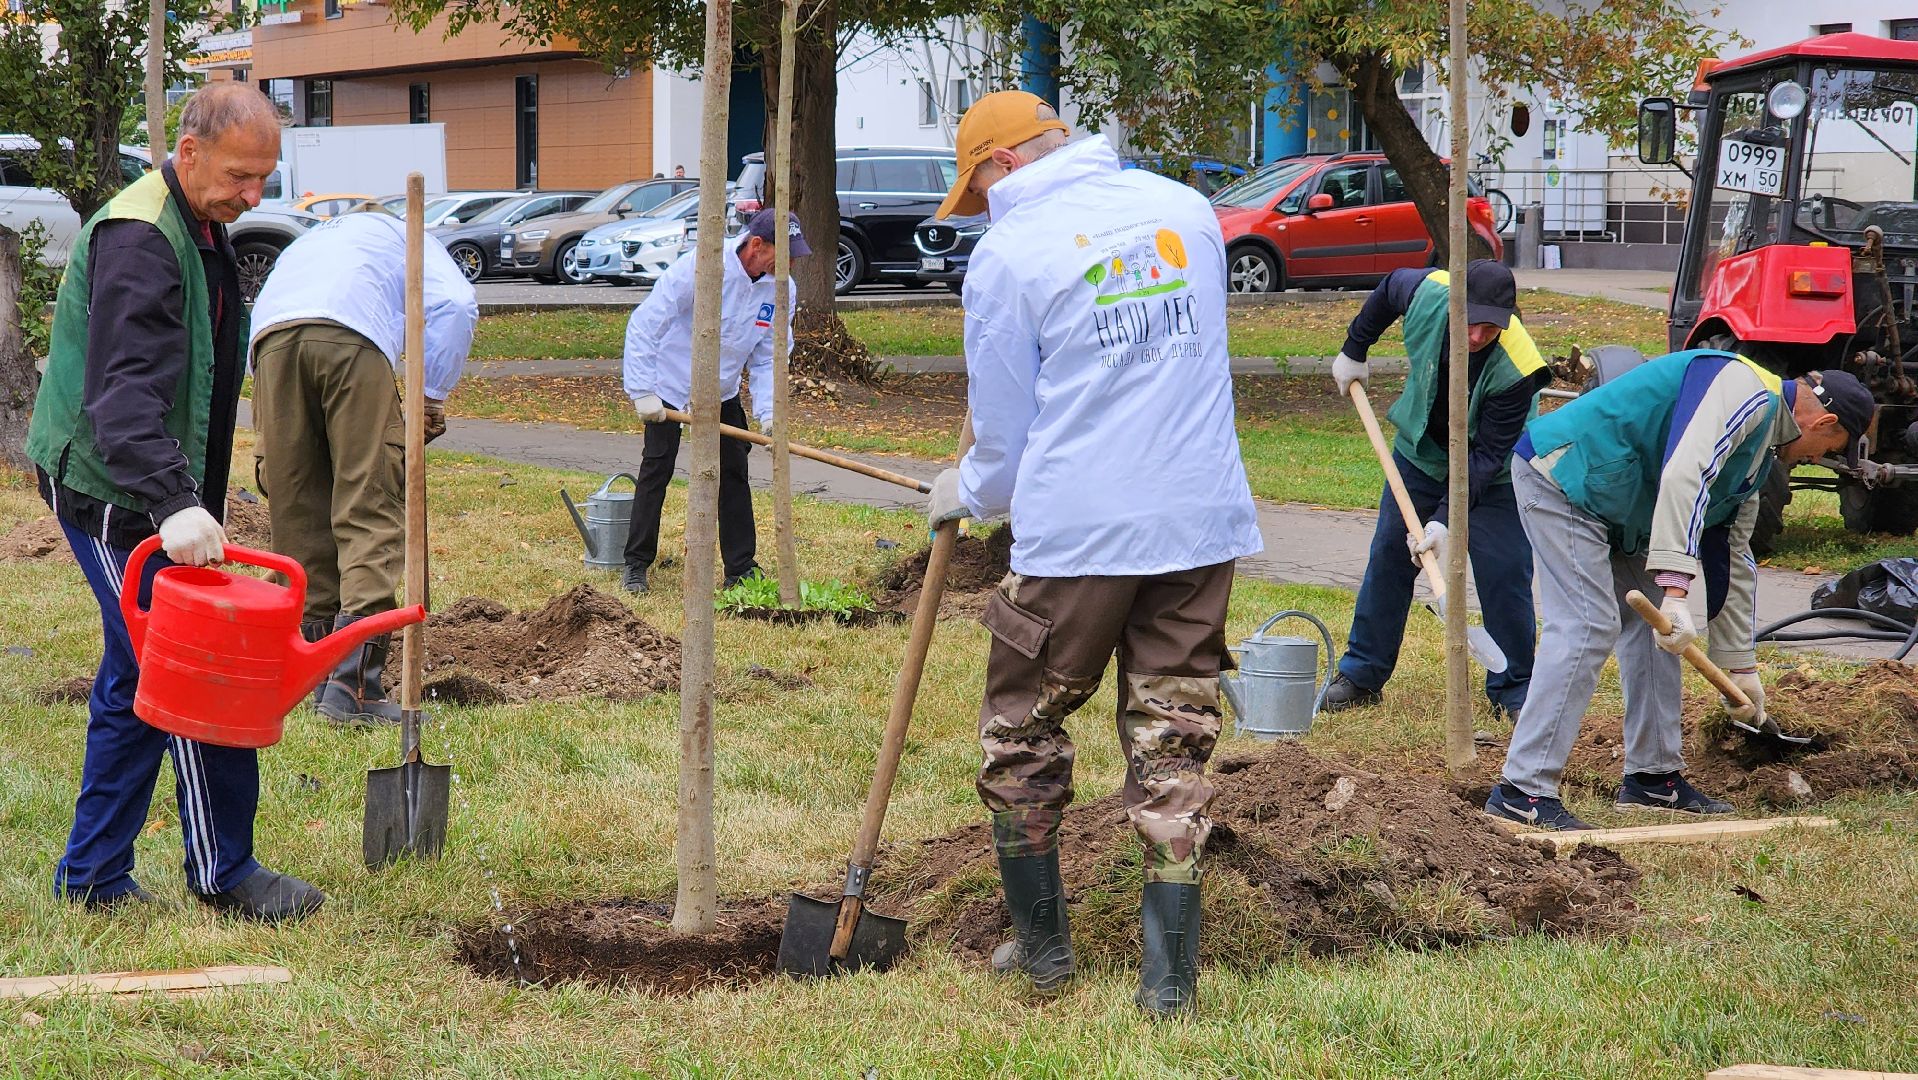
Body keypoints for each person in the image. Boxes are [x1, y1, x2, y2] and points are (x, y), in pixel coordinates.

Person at [927, 90, 1263, 1017]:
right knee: (1175, 735)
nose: (981, 207)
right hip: (1198, 518)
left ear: (1003, 165)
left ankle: (1043, 959)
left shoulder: (1010, 253)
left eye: (979, 187)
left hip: (1080, 530)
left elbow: (1001, 428)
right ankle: (1168, 989)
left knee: (1023, 728)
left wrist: (968, 491)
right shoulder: (1185, 210)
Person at [23, 83, 324, 921]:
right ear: (187, 152)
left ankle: (93, 875)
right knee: (198, 665)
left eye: (264, 179)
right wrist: (170, 502)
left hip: (143, 478)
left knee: (140, 667)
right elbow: (119, 394)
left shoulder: (197, 220)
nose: (253, 196)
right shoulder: (141, 237)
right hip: (113, 485)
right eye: (240, 176)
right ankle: (224, 871)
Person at [1486, 352, 1873, 830]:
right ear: (1826, 421)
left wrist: (1740, 665)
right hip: (1565, 477)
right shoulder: (1744, 388)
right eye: (1831, 447)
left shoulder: (1756, 459)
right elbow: (1685, 472)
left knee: (1663, 635)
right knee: (1588, 624)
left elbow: (1734, 554)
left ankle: (1653, 779)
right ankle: (1522, 791)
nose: (1821, 458)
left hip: (1624, 505)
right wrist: (1675, 586)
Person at [247, 209, 479, 724]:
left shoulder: (310, 243)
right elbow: (458, 303)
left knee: (298, 512)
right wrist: (431, 396)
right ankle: (355, 685)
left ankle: (311, 674)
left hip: (271, 344)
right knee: (368, 503)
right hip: (352, 338)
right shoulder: (407, 234)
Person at [1325, 262, 1550, 719]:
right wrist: (1355, 348)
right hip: (1420, 454)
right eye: (1471, 322)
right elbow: (1387, 287)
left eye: (1491, 327)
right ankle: (1362, 674)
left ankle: (1513, 687)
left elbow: (1485, 458)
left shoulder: (1520, 368)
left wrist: (1445, 518)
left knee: (1503, 571)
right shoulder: (1428, 293)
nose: (1476, 336)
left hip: (1497, 473)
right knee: (1390, 554)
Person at [620, 207, 807, 594]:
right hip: (671, 386)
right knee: (657, 469)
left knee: (734, 472)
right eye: (782, 255)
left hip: (722, 390)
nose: (787, 265)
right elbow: (645, 323)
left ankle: (740, 568)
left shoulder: (781, 287)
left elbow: (770, 355)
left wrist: (770, 414)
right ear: (757, 245)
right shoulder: (703, 267)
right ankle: (636, 564)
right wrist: (642, 391)